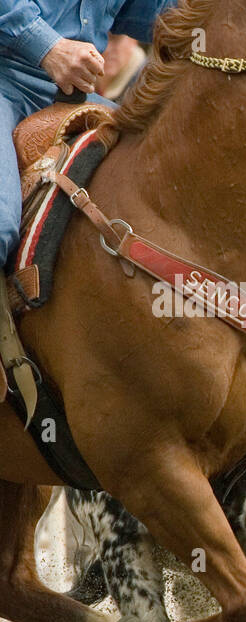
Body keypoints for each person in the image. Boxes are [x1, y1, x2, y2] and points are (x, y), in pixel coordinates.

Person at [2, 1, 175, 421]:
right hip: (4, 84)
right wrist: (49, 48)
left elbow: (164, 16)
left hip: (77, 99)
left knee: (167, 189)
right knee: (1, 218)